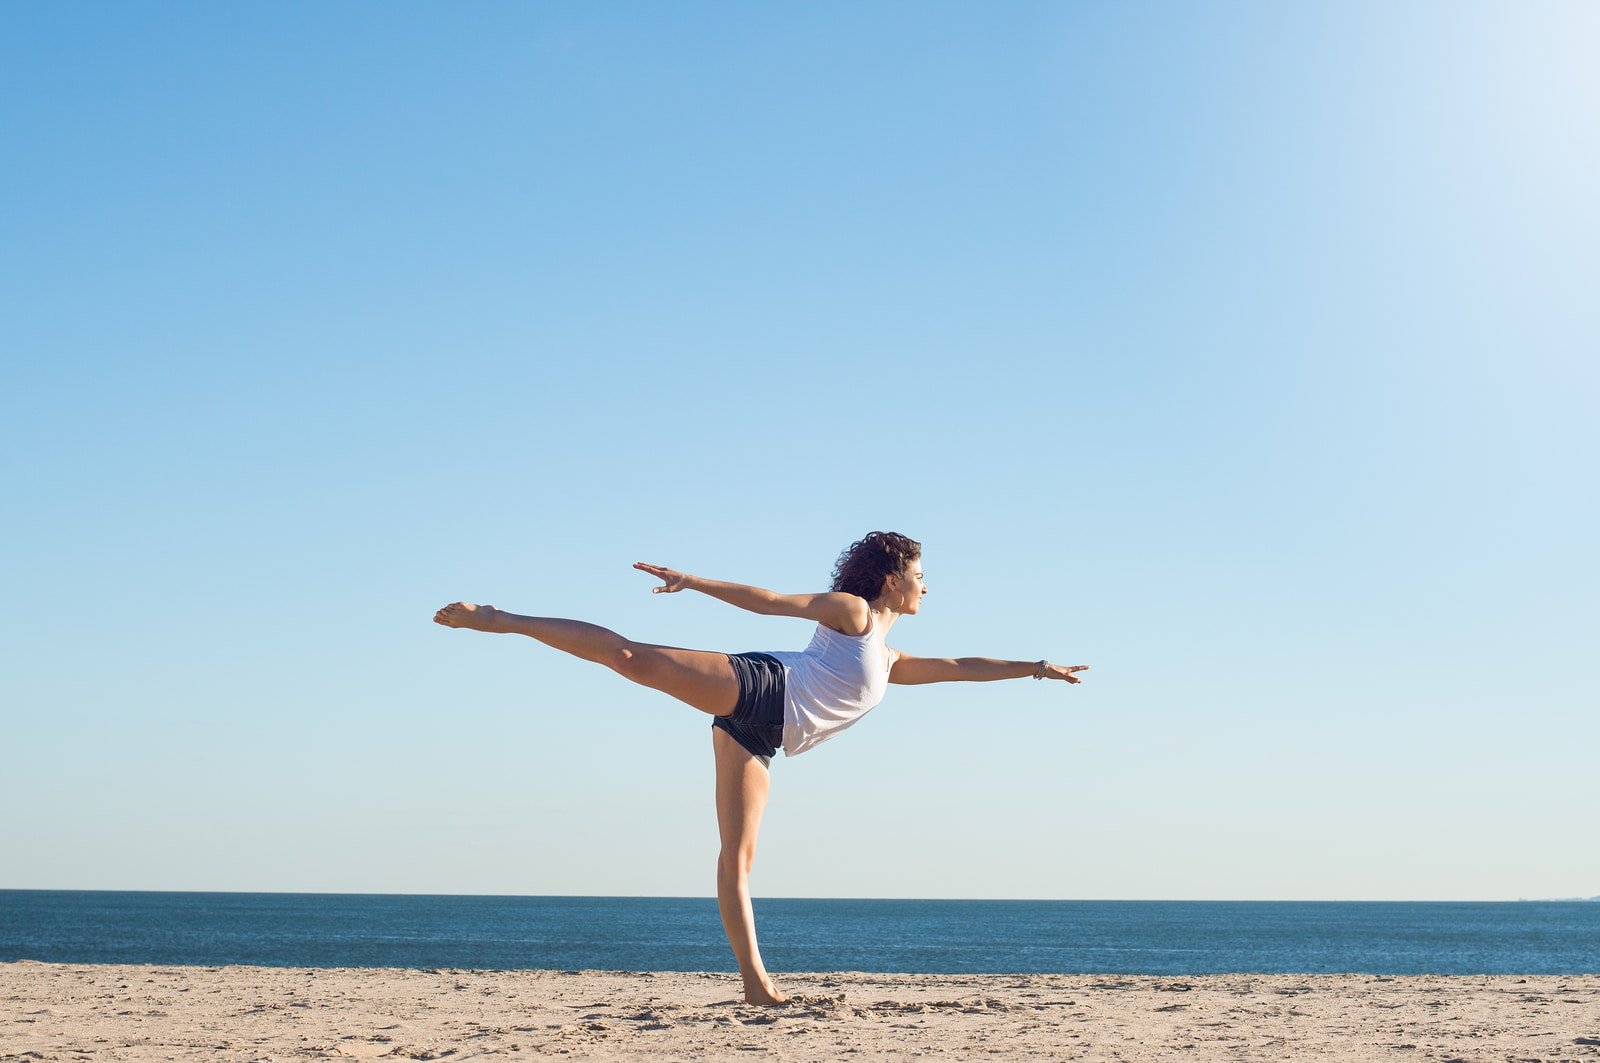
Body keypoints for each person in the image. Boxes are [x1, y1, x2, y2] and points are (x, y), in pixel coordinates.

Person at [433, 531, 1088, 1005]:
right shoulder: (853, 614)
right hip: (761, 687)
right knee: (630, 657)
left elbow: (959, 667)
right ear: (892, 579)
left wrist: (1034, 667)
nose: (927, 584)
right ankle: (498, 618)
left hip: (763, 736)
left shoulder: (888, 657)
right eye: (921, 573)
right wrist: (694, 582)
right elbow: (772, 599)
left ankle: (753, 982)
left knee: (736, 858)